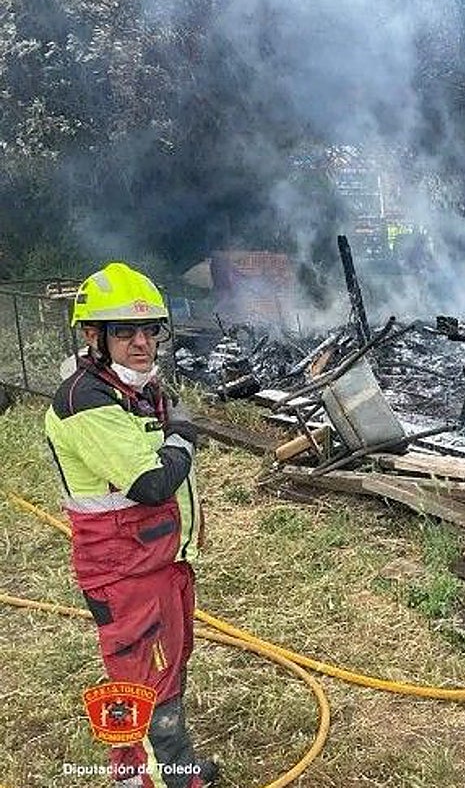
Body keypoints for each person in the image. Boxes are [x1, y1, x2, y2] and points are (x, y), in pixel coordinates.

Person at [44, 263, 218, 788]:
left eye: (150, 330)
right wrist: (182, 435)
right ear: (92, 337)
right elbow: (151, 482)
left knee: (159, 673)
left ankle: (157, 769)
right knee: (144, 683)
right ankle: (153, 780)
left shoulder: (132, 389)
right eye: (125, 332)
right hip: (125, 571)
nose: (142, 343)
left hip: (157, 560)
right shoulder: (85, 401)